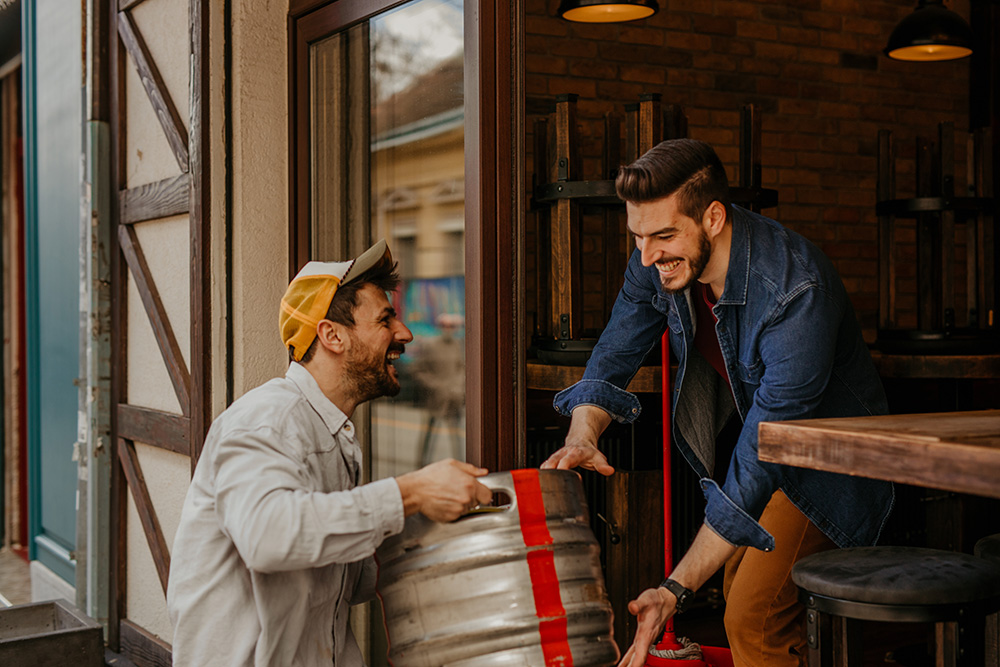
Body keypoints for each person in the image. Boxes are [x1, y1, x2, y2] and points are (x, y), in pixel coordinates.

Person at [542, 139, 894, 667]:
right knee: (739, 588)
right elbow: (616, 347)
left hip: (832, 462)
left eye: (662, 235)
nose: (647, 256)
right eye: (638, 236)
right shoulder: (656, 256)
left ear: (712, 217)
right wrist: (582, 432)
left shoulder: (795, 291)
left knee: (753, 615)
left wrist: (673, 590)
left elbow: (764, 453)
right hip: (767, 446)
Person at [167, 240, 492, 667]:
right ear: (332, 336)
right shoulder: (266, 419)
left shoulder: (328, 430)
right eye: (385, 318)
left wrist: (444, 533)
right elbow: (267, 536)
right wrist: (410, 492)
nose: (405, 333)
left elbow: (342, 575)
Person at [413, 312, 465, 465]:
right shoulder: (430, 345)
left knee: (456, 436)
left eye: (452, 326)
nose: (448, 329)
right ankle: (421, 463)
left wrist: (457, 386)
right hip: (434, 398)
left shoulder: (458, 346)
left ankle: (460, 464)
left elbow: (462, 369)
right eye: (445, 326)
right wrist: (435, 385)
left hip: (453, 398)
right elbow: (417, 370)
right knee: (429, 434)